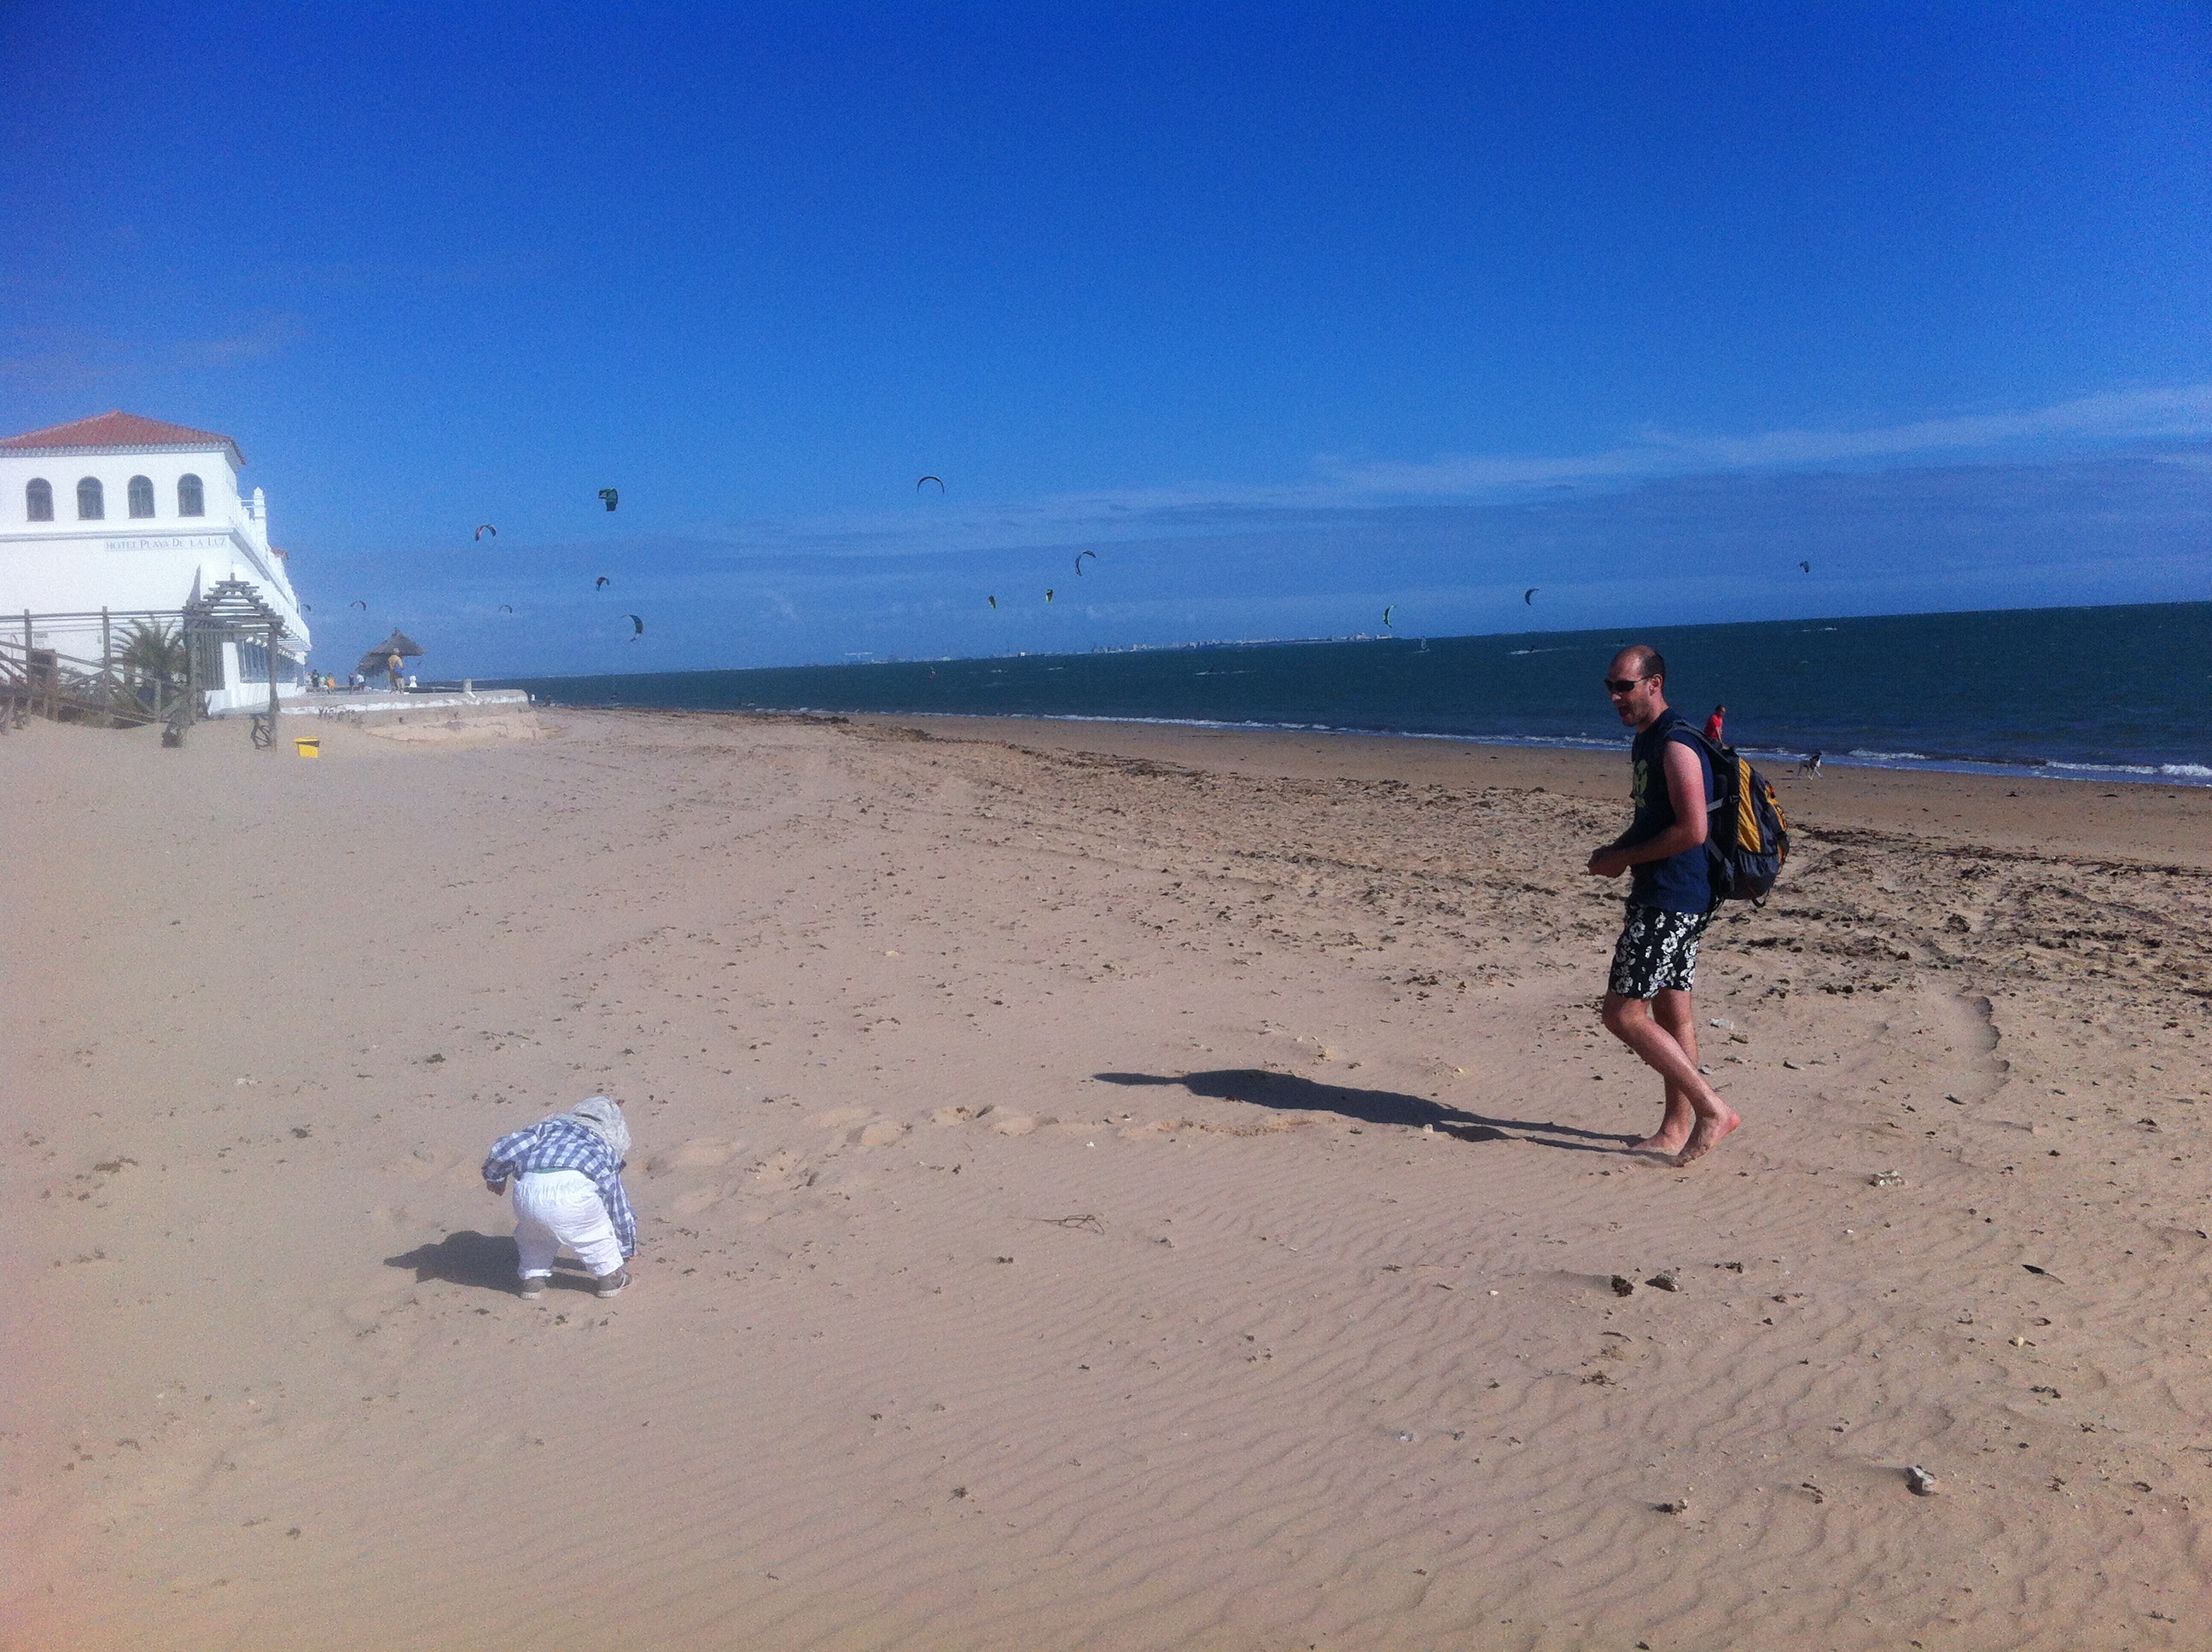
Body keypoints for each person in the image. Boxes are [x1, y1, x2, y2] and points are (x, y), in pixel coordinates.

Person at [1586, 645, 1742, 1166]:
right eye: (1610, 686)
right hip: (1671, 894)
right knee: (1674, 1013)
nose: (1615, 696)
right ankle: (1675, 1129)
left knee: (1623, 1014)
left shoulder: (1675, 744)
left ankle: (1713, 1110)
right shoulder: (1646, 741)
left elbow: (1692, 830)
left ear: (1654, 684)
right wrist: (1616, 851)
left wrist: (1624, 858)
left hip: (1673, 898)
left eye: (1624, 686)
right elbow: (1652, 818)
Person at [481, 1096, 637, 1298]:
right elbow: (618, 1205)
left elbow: (507, 1148)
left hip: (529, 1189)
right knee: (595, 1233)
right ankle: (610, 1278)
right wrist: (627, 1245)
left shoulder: (548, 1128)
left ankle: (532, 1279)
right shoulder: (602, 1148)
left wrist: (495, 1176)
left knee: (533, 1235)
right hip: (574, 1192)